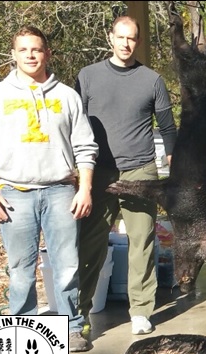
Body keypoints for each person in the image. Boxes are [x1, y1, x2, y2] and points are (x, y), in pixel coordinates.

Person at [0, 26, 98, 352]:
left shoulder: (67, 96)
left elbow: (85, 146)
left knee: (67, 266)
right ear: (13, 55)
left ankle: (71, 327)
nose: (30, 55)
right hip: (15, 195)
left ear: (47, 54)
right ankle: (22, 331)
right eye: (23, 50)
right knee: (20, 271)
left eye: (36, 49)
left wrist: (85, 188)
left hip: (61, 193)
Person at [75, 15, 178, 336]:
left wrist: (172, 173)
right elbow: (73, 125)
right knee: (90, 242)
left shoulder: (152, 80)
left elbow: (168, 128)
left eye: (131, 38)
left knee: (143, 241)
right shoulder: (88, 77)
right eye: (120, 37)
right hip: (98, 170)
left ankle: (141, 310)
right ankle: (80, 310)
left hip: (141, 169)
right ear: (110, 38)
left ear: (138, 42)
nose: (125, 43)